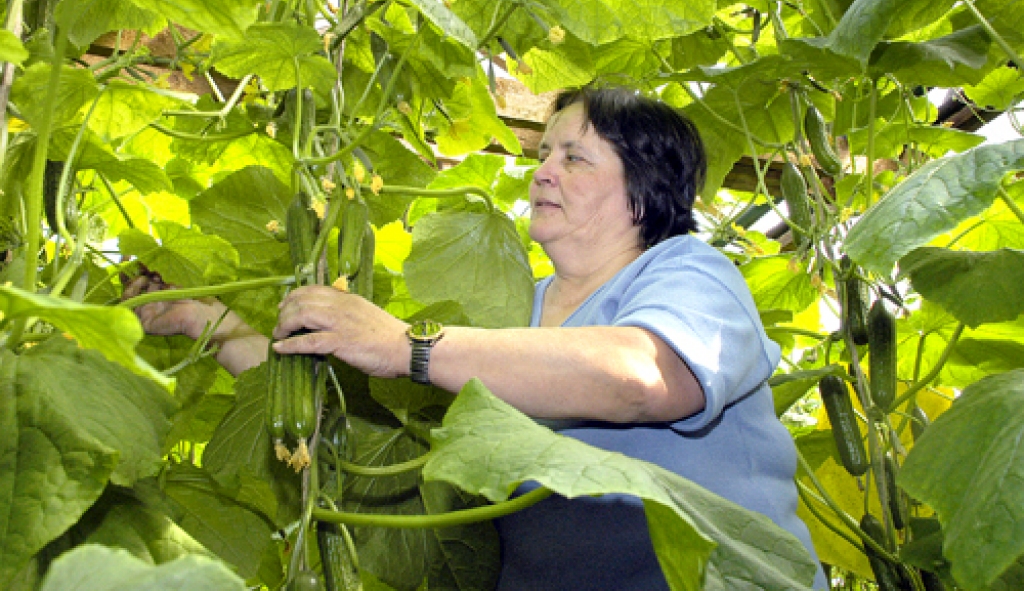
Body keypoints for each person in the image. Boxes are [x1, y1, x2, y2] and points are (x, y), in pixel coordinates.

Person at [130, 86, 825, 590]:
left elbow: (644, 376)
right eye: (543, 152)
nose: (542, 170)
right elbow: (342, 424)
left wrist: (407, 344)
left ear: (645, 189)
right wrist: (208, 323)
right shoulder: (512, 312)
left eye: (575, 158)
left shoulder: (686, 271)